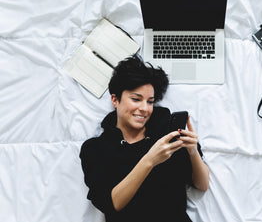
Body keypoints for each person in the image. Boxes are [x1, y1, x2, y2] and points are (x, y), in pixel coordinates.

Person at [80, 56, 209, 222]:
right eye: (136, 99)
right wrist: (150, 160)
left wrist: (193, 152)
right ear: (115, 99)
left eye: (150, 102)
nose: (144, 109)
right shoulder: (95, 149)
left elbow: (202, 184)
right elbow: (112, 204)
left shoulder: (167, 133)